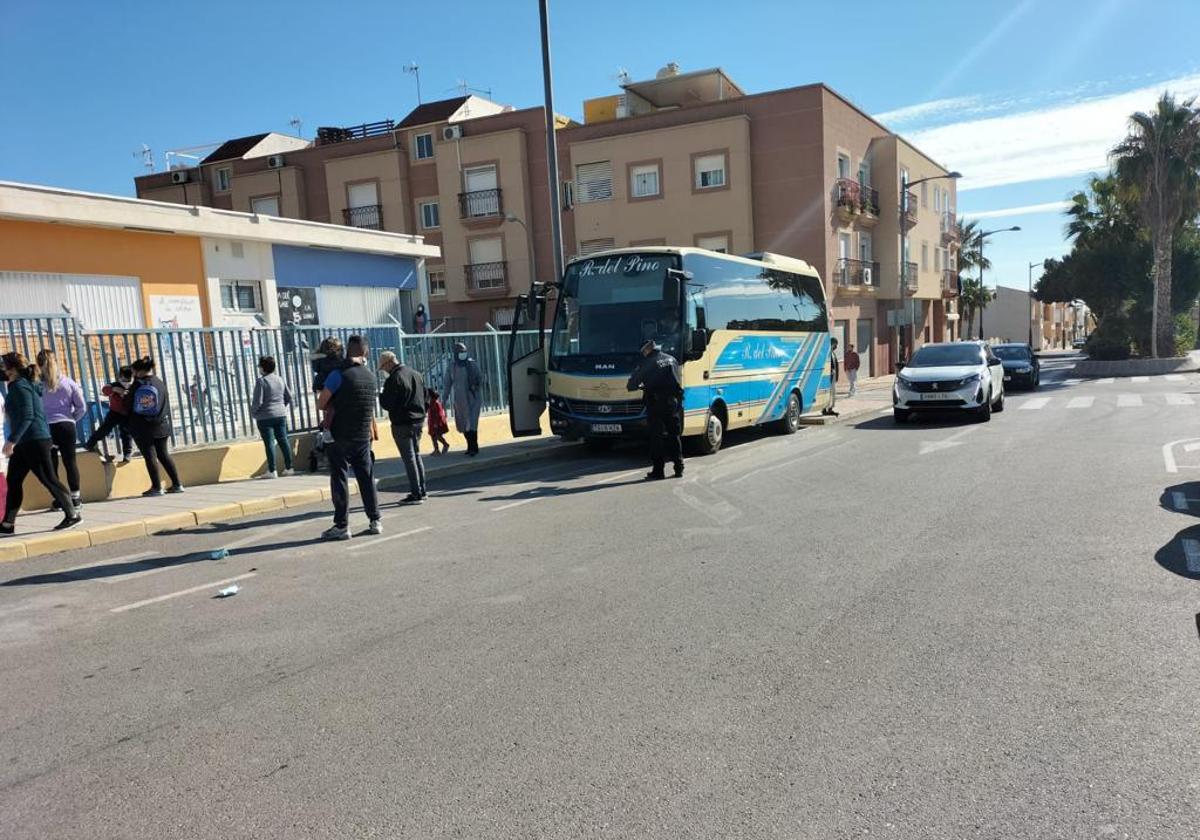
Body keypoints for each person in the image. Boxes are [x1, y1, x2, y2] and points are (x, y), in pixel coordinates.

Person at [1, 352, 79, 534]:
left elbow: (28, 415)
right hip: (24, 442)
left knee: (48, 478)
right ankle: (7, 524)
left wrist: (12, 440)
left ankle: (72, 514)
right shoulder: (17, 383)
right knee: (13, 480)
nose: (2, 369)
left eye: (3, 365)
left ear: (12, 369)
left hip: (35, 440)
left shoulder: (21, 387)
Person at [317, 335, 382, 539]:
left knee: (340, 478)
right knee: (366, 478)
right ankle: (375, 520)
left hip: (339, 436)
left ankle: (342, 525)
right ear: (365, 352)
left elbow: (321, 403)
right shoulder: (371, 377)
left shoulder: (338, 375)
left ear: (347, 350)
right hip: (362, 435)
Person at [626, 339, 684, 480]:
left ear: (646, 350)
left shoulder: (648, 362)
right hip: (673, 403)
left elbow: (631, 385)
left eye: (643, 352)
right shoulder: (672, 359)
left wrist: (641, 386)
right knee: (673, 435)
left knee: (656, 437)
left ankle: (658, 471)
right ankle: (679, 467)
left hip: (656, 404)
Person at [36, 349, 86, 512]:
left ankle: (60, 499)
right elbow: (81, 407)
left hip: (47, 428)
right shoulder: (68, 382)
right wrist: (71, 419)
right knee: (70, 462)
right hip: (66, 426)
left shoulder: (37, 386)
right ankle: (76, 498)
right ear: (56, 361)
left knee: (52, 465)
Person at [128, 356, 185, 497]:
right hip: (161, 424)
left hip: (143, 426)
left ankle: (156, 487)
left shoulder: (138, 385)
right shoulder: (159, 382)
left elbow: (129, 405)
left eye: (134, 371)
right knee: (164, 454)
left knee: (150, 457)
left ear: (138, 371)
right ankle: (177, 484)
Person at [378, 351, 427, 504]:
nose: (384, 370)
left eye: (384, 367)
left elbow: (387, 403)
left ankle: (416, 493)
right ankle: (422, 490)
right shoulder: (416, 374)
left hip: (402, 423)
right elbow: (425, 396)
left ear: (389, 363)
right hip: (418, 420)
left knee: (409, 458)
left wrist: (381, 396)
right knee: (417, 455)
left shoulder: (394, 379)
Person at [252, 356, 294, 478]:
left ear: (263, 368)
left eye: (260, 366)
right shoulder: (280, 379)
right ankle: (289, 467)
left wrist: (254, 413)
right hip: (280, 414)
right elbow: (289, 396)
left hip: (265, 417)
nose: (259, 368)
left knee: (269, 442)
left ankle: (272, 470)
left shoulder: (261, 381)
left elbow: (257, 401)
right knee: (283, 440)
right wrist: (281, 406)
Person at [85, 365, 134, 463]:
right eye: (124, 380)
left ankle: (127, 454)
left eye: (129, 380)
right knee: (105, 429)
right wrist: (114, 389)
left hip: (128, 413)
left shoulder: (134, 386)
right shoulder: (115, 385)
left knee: (126, 433)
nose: (126, 383)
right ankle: (90, 443)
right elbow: (105, 389)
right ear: (120, 378)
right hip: (114, 412)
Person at [444, 341, 484, 456]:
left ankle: (474, 447)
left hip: (473, 398)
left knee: (472, 424)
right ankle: (469, 446)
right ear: (455, 354)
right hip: (460, 400)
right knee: (463, 425)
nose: (463, 354)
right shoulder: (452, 367)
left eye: (464, 352)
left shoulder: (472, 365)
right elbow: (447, 383)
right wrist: (444, 399)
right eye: (460, 352)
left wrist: (475, 385)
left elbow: (480, 379)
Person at [427, 389, 450, 455]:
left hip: (436, 423)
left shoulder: (435, 403)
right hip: (432, 422)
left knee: (437, 435)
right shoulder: (431, 402)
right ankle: (436, 449)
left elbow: (439, 414)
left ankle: (445, 444)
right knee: (433, 436)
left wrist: (436, 423)